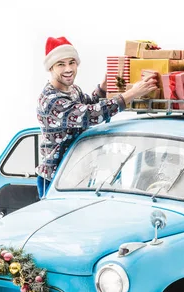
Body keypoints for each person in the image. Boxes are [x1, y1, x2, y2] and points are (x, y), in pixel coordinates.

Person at [36, 36, 157, 198]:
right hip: (55, 180)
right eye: (61, 64)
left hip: (75, 175)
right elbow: (90, 115)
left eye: (72, 62)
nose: (68, 69)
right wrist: (132, 94)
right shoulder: (51, 100)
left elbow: (88, 104)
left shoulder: (73, 90)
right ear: (50, 68)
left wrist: (103, 88)